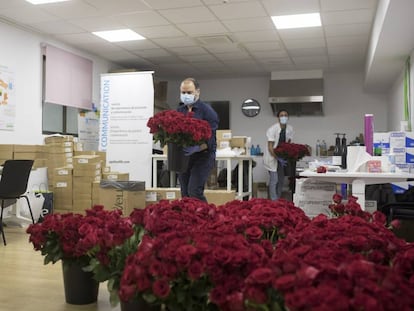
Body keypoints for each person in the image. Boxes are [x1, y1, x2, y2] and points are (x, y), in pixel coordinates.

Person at [176, 77, 219, 202]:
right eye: (183, 93)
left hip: (203, 156)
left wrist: (197, 147)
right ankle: (188, 219)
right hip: (185, 157)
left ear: (197, 92)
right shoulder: (180, 111)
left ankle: (205, 218)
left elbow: (210, 140)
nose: (186, 95)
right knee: (185, 193)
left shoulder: (207, 112)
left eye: (189, 92)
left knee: (194, 191)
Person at [263, 109, 294, 200]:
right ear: (278, 118)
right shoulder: (272, 129)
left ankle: (278, 198)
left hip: (281, 157)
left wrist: (285, 155)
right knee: (274, 179)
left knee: (281, 180)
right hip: (271, 156)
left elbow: (288, 143)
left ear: (288, 117)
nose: (284, 117)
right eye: (281, 115)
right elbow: (270, 147)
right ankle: (273, 201)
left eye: (285, 115)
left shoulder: (290, 129)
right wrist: (277, 158)